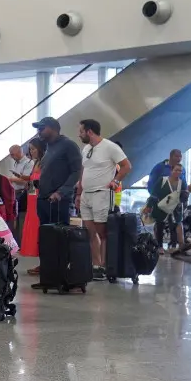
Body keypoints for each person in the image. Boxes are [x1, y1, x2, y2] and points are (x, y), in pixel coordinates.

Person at [75, 119, 131, 279]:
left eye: (81, 132)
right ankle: (96, 265)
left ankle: (106, 265)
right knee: (89, 231)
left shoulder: (110, 147)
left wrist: (116, 181)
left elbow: (127, 166)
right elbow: (83, 171)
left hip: (102, 194)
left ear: (89, 131)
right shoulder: (86, 149)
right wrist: (79, 193)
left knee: (102, 231)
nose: (79, 135)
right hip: (86, 194)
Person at [32, 116, 83, 231]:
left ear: (52, 129)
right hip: (43, 200)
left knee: (58, 240)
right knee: (46, 239)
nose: (38, 132)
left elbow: (76, 171)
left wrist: (60, 192)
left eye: (41, 129)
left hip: (59, 201)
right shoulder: (49, 147)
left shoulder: (69, 145)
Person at [149, 163, 191, 255]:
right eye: (176, 170)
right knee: (160, 226)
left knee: (175, 226)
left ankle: (173, 246)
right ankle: (159, 246)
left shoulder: (182, 182)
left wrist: (185, 195)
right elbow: (154, 193)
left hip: (176, 208)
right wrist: (149, 206)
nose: (178, 172)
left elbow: (185, 195)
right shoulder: (163, 180)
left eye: (180, 171)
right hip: (162, 207)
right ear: (171, 170)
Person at [20, 140, 45, 266]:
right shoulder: (35, 162)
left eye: (33, 149)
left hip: (39, 197)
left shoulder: (44, 162)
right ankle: (40, 262)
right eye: (30, 149)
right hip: (31, 196)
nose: (31, 151)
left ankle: (43, 262)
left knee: (38, 228)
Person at [7, 143, 36, 246]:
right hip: (14, 193)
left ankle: (23, 243)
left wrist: (10, 179)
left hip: (23, 193)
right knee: (14, 219)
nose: (11, 156)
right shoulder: (15, 163)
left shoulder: (29, 163)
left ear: (19, 152)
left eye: (13, 154)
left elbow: (26, 180)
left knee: (22, 219)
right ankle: (15, 243)